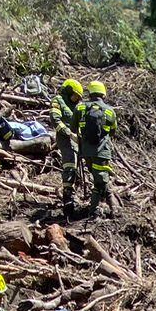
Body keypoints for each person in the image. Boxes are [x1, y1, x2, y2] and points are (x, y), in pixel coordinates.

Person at [76, 80, 116, 216]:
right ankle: (97, 211)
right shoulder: (110, 111)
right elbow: (113, 132)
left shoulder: (80, 108)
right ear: (103, 94)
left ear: (89, 93)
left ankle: (109, 207)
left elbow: (73, 128)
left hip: (86, 152)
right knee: (100, 181)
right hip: (102, 152)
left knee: (98, 180)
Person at [54, 78, 83, 210]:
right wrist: (68, 133)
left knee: (76, 166)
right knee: (70, 164)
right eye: (75, 95)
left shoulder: (76, 106)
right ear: (68, 91)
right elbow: (55, 120)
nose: (76, 98)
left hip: (77, 140)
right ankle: (68, 197)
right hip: (65, 139)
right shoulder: (58, 100)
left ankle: (76, 192)